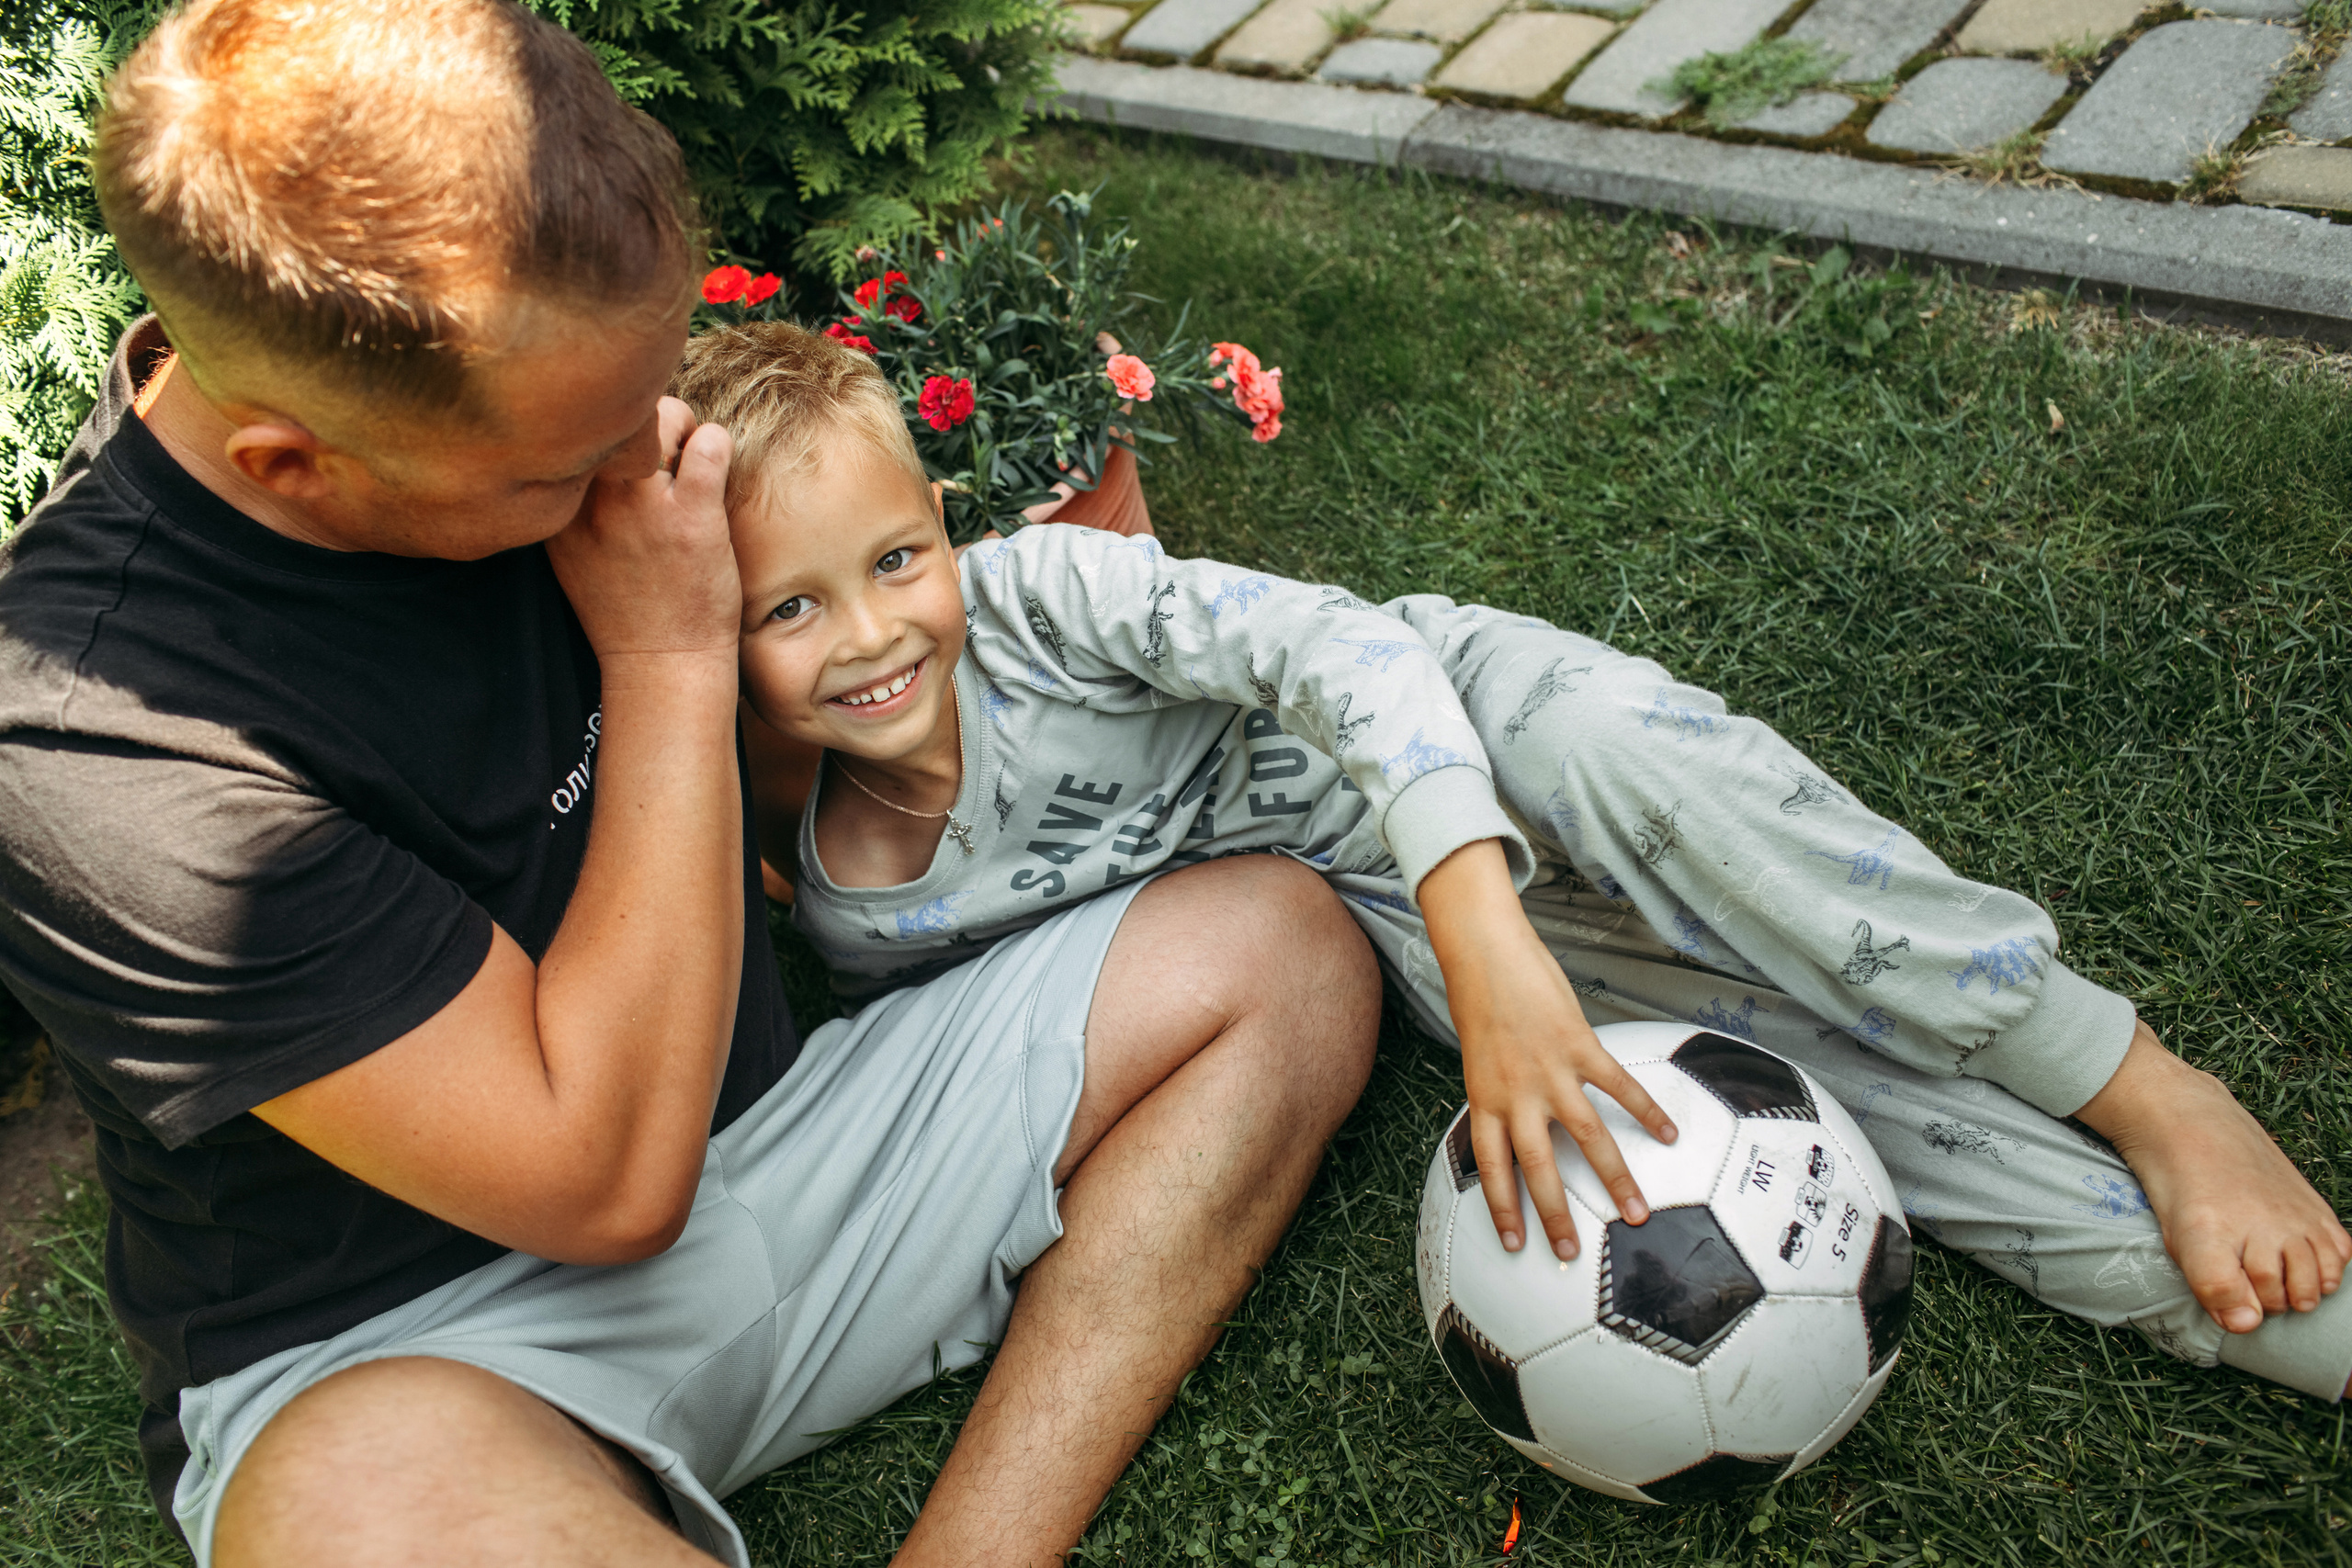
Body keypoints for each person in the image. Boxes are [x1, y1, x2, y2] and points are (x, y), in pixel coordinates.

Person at [0, 4, 1385, 1565]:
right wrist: (665, 659)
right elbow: (599, 1185)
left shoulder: (556, 408)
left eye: (652, 395)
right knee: (360, 1522)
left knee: (1278, 949)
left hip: (788, 1142)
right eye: (565, 468)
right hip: (424, 1346)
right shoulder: (90, 738)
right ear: (290, 464)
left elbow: (878, 675)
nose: (653, 464)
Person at [678, 319, 2352, 1403]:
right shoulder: (849, 909)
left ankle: (2142, 1083)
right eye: (793, 606)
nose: (876, 633)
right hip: (1379, 914)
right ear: (717, 634)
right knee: (1788, 1102)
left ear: (942, 521)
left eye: (899, 557)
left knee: (1715, 830)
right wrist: (1456, 956)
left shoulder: (1041, 604)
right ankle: (2263, 1319)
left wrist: (1492, 933)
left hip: (1477, 734)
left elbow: (1342, 658)